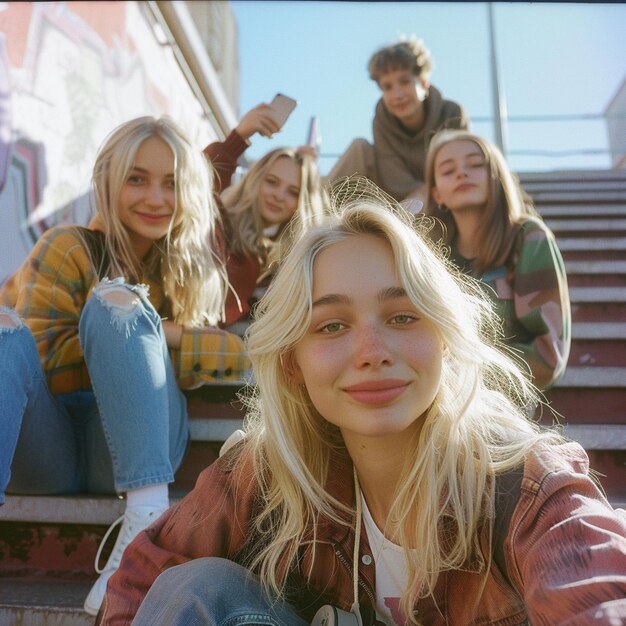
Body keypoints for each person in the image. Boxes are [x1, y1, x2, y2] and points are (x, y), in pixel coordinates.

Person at [97, 186, 626, 625]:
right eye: (331, 325)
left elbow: (597, 595)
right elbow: (143, 577)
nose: (372, 353)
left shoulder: (528, 488)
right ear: (292, 364)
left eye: (402, 317)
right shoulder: (264, 473)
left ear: (443, 338)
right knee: (197, 589)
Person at [0, 116, 250, 616]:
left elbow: (233, 354)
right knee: (8, 329)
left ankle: (145, 516)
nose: (156, 197)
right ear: (109, 181)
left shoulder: (189, 274)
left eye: (173, 183)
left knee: (118, 302)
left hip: (141, 453)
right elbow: (41, 360)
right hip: (50, 447)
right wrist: (136, 343)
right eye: (138, 178)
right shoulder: (69, 245)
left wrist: (146, 331)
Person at [422, 129, 571, 389]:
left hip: (500, 404)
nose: (461, 173)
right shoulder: (429, 255)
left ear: (497, 178)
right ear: (437, 195)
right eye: (448, 170)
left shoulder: (527, 238)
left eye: (476, 165)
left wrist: (466, 375)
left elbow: (548, 355)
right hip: (440, 397)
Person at [204, 103, 328, 333]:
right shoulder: (221, 225)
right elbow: (195, 187)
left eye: (293, 192)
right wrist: (239, 137)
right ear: (255, 179)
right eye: (272, 182)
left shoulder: (297, 256)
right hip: (203, 341)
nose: (279, 196)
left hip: (261, 358)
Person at [327, 37, 469, 205]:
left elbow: (459, 167)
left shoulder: (452, 114)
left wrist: (425, 194)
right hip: (398, 199)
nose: (397, 95)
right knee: (359, 147)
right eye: (387, 87)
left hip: (440, 196)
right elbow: (394, 179)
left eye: (405, 82)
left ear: (424, 83)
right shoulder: (381, 122)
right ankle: (322, 217)